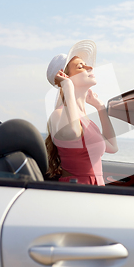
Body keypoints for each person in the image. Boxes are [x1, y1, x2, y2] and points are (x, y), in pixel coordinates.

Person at [45, 40, 118, 186]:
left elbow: (112, 147)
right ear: (66, 77)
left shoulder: (87, 121)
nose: (90, 67)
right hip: (78, 194)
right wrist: (67, 86)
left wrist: (101, 108)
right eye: (81, 66)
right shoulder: (58, 115)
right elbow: (73, 132)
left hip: (94, 193)